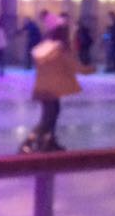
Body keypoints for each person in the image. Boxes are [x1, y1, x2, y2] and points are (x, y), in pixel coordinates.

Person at [19, 14, 85, 153]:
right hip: (48, 86)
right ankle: (28, 143)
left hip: (50, 86)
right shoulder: (55, 46)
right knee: (49, 116)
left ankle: (49, 141)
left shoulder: (52, 44)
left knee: (53, 112)